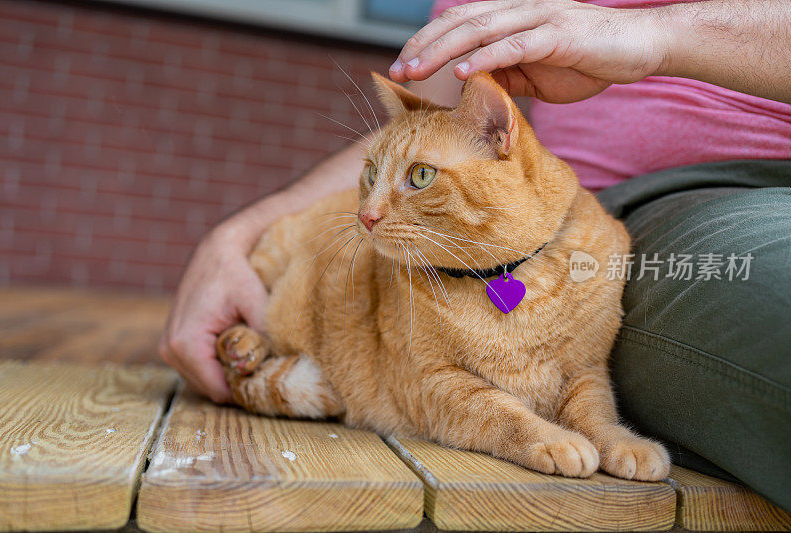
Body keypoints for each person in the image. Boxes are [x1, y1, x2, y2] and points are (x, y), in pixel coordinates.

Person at [160, 0, 791, 510]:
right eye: (372, 188)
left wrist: (656, 34)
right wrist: (235, 237)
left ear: (500, 137)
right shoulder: (435, 196)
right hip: (682, 202)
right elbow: (423, 129)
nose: (369, 213)